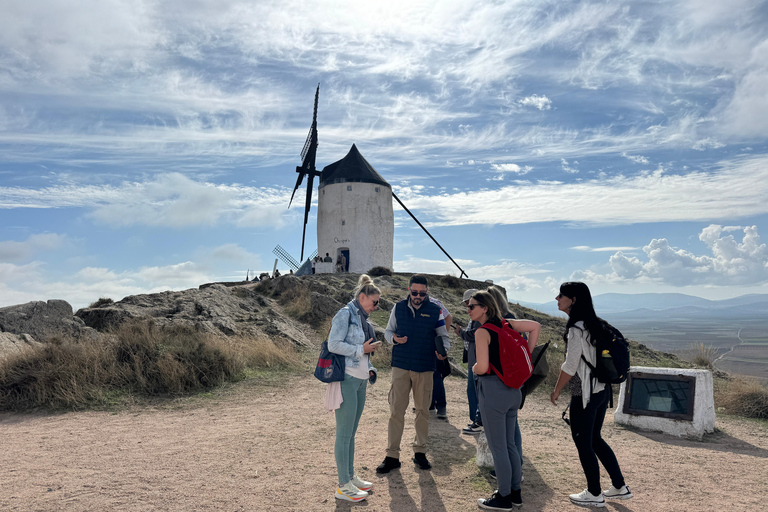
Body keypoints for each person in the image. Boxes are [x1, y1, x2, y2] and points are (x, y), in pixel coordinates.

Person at [550, 282, 633, 508]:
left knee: (583, 442)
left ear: (574, 300)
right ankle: (618, 486)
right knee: (594, 439)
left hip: (584, 393)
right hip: (602, 390)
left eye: (561, 296)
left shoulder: (577, 329)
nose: (557, 299)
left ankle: (595, 493)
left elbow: (570, 366)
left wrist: (557, 389)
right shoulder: (596, 324)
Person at [471, 290, 540, 510]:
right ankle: (515, 494)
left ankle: (503, 497)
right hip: (514, 391)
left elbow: (482, 367)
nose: (468, 309)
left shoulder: (482, 331)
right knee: (510, 444)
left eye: (472, 306)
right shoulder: (507, 324)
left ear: (485, 308)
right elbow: (535, 327)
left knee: (498, 447)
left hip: (493, 391)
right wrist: (527, 355)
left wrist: (473, 368)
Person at [377, 274, 450, 474]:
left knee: (422, 411)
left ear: (427, 292)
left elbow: (444, 337)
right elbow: (387, 331)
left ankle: (420, 452)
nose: (418, 296)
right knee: (396, 412)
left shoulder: (436, 311)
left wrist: (444, 351)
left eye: (422, 293)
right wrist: (393, 339)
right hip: (400, 366)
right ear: (408, 290)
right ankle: (392, 455)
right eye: (414, 292)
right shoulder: (398, 307)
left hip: (425, 368)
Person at [327, 274, 382, 502]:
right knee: (344, 434)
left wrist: (369, 367)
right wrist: (361, 350)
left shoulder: (363, 318)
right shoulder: (345, 314)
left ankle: (349, 476)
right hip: (347, 379)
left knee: (351, 433)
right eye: (374, 302)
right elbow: (334, 344)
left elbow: (362, 350)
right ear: (362, 297)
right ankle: (343, 486)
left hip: (360, 380)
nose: (377, 306)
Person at [486, 285, 540, 474]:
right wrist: (528, 354)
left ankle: (511, 468)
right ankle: (515, 466)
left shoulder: (504, 322)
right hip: (516, 376)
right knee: (511, 422)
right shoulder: (512, 319)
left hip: (505, 377)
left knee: (508, 428)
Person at [453, 289, 482, 435]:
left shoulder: (478, 318)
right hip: (474, 358)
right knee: (474, 391)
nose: (467, 307)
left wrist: (461, 333)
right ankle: (476, 420)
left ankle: (477, 421)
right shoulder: (477, 317)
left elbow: (472, 335)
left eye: (469, 304)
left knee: (474, 391)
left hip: (476, 360)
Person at [428, 296, 452, 419]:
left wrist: (442, 334)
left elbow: (448, 317)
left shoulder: (435, 302)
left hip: (434, 344)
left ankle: (442, 406)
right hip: (422, 345)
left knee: (436, 375)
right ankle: (430, 404)